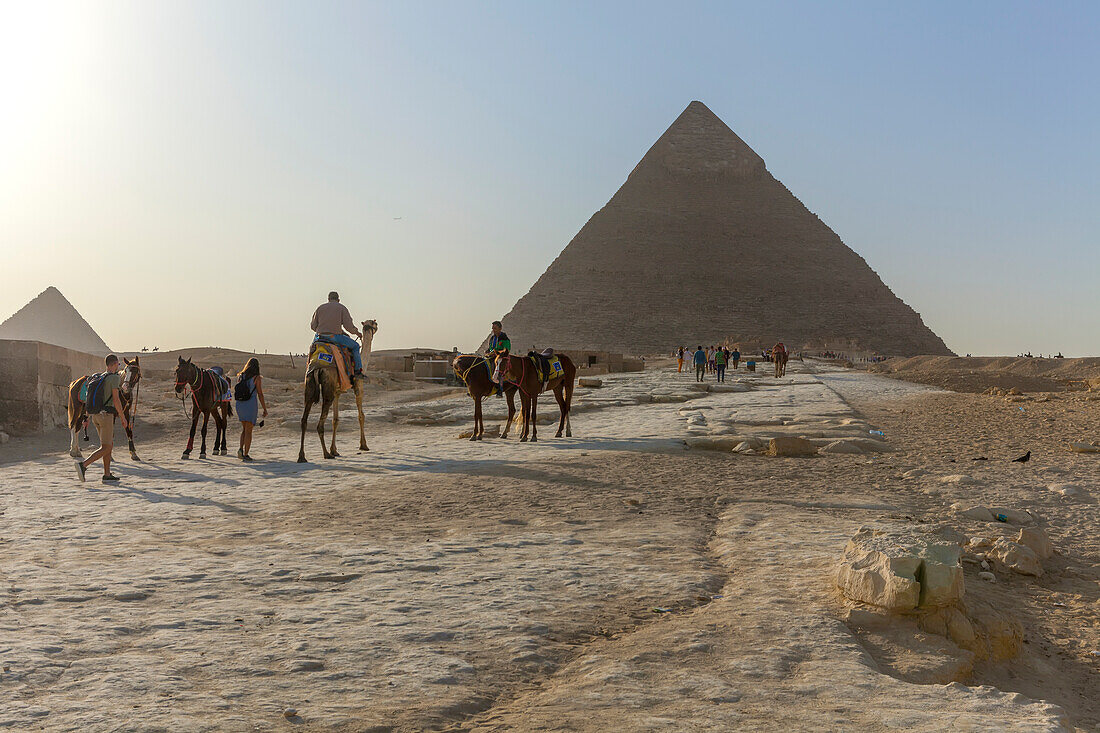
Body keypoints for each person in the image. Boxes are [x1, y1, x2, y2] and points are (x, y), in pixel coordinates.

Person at [74, 354, 128, 483]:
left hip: (96, 416)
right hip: (106, 416)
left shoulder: (99, 377)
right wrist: (122, 417)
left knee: (107, 444)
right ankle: (83, 465)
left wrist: (86, 417)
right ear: (114, 364)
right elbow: (116, 400)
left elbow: (90, 398)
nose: (118, 366)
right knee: (107, 447)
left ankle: (107, 474)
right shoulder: (114, 378)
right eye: (118, 364)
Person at [311, 291, 364, 378]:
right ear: (338, 300)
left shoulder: (320, 308)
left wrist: (323, 329)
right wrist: (357, 333)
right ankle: (358, 371)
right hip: (334, 337)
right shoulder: (342, 308)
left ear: (328, 299)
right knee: (356, 346)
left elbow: (313, 326)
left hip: (320, 337)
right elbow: (349, 326)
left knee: (312, 350)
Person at [234, 357, 267, 461]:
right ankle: (246, 454)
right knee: (249, 431)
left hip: (240, 404)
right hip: (250, 404)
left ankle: (240, 449)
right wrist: (265, 409)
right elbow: (260, 394)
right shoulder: (257, 378)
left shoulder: (240, 376)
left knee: (244, 429)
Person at [484, 320, 511, 390]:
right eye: (492, 328)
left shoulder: (504, 338)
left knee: (497, 367)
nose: (493, 330)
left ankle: (499, 388)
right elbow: (490, 349)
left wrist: (496, 353)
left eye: (495, 328)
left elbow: (506, 350)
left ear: (500, 328)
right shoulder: (492, 338)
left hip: (501, 357)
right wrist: (487, 352)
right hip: (491, 357)